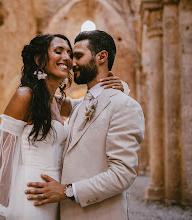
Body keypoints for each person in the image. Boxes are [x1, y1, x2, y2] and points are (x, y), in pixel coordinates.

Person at [0, 33, 126, 220]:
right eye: (58, 51)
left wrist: (121, 87)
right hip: (28, 192)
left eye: (69, 53)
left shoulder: (58, 103)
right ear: (39, 59)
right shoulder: (24, 95)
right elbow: (3, 154)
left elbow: (92, 104)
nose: (67, 58)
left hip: (53, 195)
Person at [25, 30, 145, 220]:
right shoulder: (79, 105)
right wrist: (43, 71)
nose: (72, 63)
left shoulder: (125, 105)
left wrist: (67, 192)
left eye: (78, 56)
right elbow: (43, 97)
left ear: (101, 57)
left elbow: (122, 174)